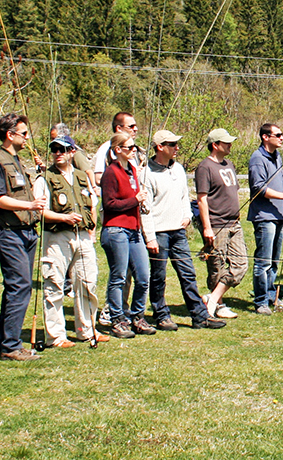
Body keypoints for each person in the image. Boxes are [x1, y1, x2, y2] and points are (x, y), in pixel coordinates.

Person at [143, 130, 224, 329]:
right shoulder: (145, 173)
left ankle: (199, 316)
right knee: (158, 276)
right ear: (160, 147)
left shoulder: (178, 169)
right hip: (159, 232)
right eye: (172, 145)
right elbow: (144, 209)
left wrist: (187, 215)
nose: (177, 148)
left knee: (188, 273)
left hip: (178, 232)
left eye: (177, 144)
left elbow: (184, 195)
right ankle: (161, 315)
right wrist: (150, 237)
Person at [0, 113, 45, 361]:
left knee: (18, 287)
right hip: (8, 233)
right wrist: (30, 206)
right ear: (10, 135)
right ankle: (10, 347)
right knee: (19, 286)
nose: (27, 137)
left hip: (26, 233)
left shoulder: (17, 161)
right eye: (24, 133)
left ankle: (8, 341)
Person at [36, 135, 98, 349]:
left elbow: (92, 204)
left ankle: (87, 331)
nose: (58, 153)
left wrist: (92, 230)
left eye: (62, 149)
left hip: (82, 236)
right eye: (54, 150)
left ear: (73, 152)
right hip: (57, 237)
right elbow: (40, 211)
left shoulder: (82, 177)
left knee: (87, 283)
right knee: (54, 284)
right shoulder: (44, 178)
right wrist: (64, 217)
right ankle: (56, 336)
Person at [100, 131, 153, 339]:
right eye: (130, 148)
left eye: (134, 147)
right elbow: (109, 204)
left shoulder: (132, 169)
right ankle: (117, 319)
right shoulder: (111, 173)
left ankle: (137, 316)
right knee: (118, 277)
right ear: (118, 150)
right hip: (116, 230)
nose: (134, 151)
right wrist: (135, 200)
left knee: (143, 276)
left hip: (133, 229)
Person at [247, 123, 283, 315]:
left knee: (274, 261)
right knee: (263, 261)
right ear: (265, 137)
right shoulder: (257, 158)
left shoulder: (277, 157)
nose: (282, 138)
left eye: (282, 134)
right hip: (264, 217)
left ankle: (271, 297)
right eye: (278, 135)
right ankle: (261, 301)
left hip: (279, 216)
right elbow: (258, 188)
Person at [195, 128, 248, 319]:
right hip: (216, 224)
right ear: (215, 145)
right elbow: (202, 199)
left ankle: (212, 298)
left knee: (240, 265)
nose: (230, 145)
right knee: (216, 266)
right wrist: (207, 227)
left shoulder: (229, 164)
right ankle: (218, 305)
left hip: (234, 222)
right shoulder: (204, 167)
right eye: (225, 142)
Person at [93, 111, 142, 186]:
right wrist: (131, 176)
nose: (135, 129)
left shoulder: (135, 148)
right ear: (119, 128)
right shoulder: (106, 148)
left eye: (135, 126)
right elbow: (98, 179)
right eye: (131, 126)